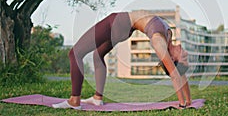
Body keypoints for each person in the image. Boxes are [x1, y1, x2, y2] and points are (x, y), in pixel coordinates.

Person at [52, 11, 191, 110]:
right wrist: (188, 101)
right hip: (124, 28)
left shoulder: (159, 41)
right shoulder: (168, 39)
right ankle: (97, 99)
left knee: (74, 53)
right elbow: (180, 75)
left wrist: (181, 105)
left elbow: (174, 74)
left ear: (173, 59)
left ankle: (74, 100)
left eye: (184, 57)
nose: (185, 53)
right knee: (97, 55)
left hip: (117, 23)